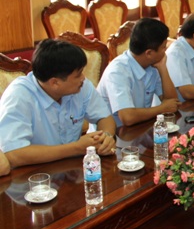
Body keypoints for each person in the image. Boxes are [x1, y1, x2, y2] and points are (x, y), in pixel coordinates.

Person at [0, 39, 116, 168]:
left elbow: (104, 117)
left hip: (72, 168)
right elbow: (14, 154)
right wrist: (75, 148)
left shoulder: (80, 86)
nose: (83, 78)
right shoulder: (19, 97)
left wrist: (106, 137)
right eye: (78, 74)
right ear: (55, 83)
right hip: (35, 173)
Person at [97, 18, 180, 127]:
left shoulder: (153, 64)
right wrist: (161, 108)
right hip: (112, 133)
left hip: (139, 127)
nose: (166, 50)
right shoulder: (117, 72)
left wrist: (163, 68)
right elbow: (127, 117)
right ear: (149, 53)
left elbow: (172, 103)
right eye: (164, 47)